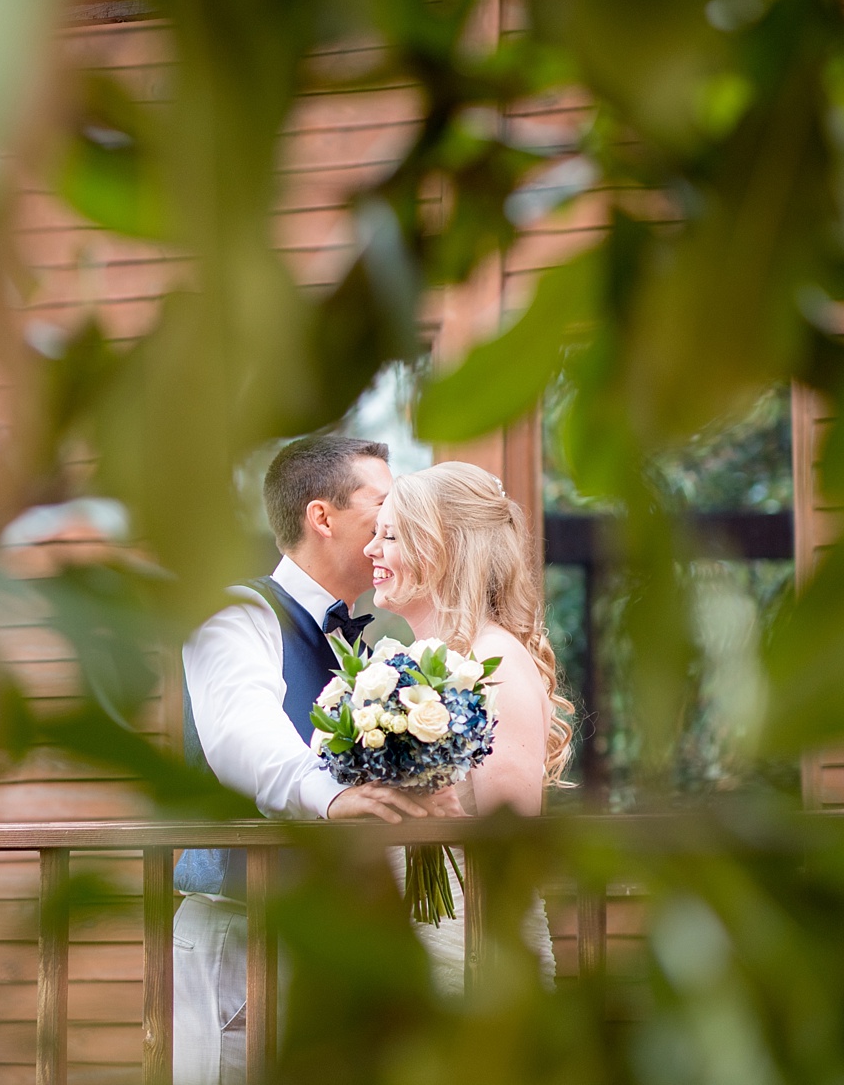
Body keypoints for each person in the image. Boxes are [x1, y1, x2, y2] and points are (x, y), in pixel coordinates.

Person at [173, 435, 461, 1085]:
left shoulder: (358, 643)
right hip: (240, 933)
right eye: (383, 504)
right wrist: (326, 793)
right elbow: (241, 735)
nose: (397, 523)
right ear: (321, 517)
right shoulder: (236, 613)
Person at [363, 460, 575, 994]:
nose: (371, 550)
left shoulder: (495, 660)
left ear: (440, 549)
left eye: (389, 536)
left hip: (473, 949)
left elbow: (511, 847)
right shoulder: (409, 663)